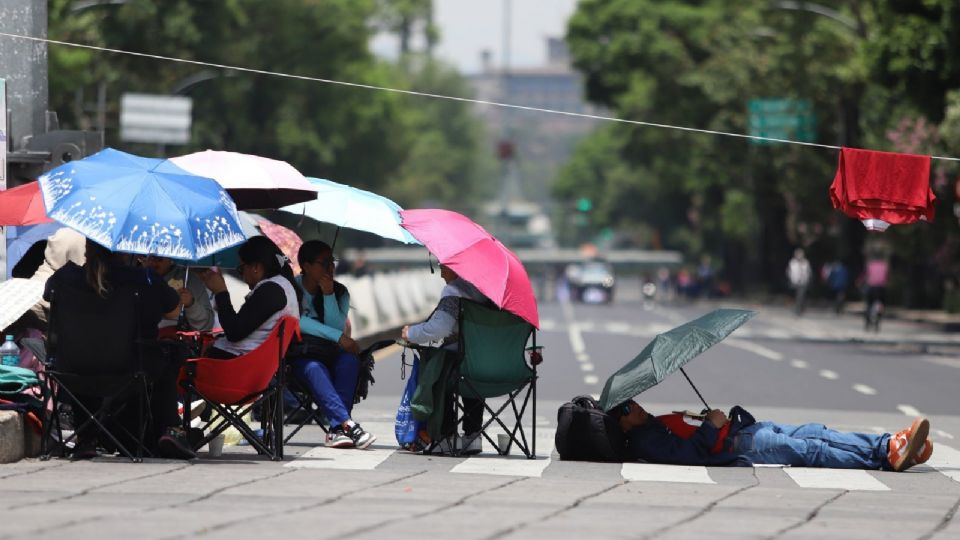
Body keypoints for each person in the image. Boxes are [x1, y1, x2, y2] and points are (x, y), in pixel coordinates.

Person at [43, 239, 196, 459]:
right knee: (172, 351)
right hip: (129, 371)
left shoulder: (64, 277)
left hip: (71, 372)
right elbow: (173, 309)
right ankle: (171, 427)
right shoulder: (144, 279)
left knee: (88, 351)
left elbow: (49, 294)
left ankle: (86, 437)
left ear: (87, 248)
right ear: (125, 250)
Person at [613, 400, 932, 472]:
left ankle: (889, 446)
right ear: (621, 423)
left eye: (633, 401)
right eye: (627, 408)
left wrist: (708, 418)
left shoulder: (651, 426)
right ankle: (888, 452)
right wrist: (710, 425)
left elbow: (689, 435)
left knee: (815, 432)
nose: (636, 406)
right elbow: (690, 455)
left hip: (742, 429)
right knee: (812, 450)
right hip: (739, 444)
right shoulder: (644, 441)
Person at [289, 240, 374, 449]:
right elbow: (297, 321)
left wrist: (328, 295)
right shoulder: (291, 289)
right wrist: (339, 337)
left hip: (329, 353)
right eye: (324, 263)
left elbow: (335, 327)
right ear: (306, 266)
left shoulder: (340, 292)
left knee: (350, 361)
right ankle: (347, 425)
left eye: (332, 262)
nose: (330, 268)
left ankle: (337, 429)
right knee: (314, 368)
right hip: (302, 355)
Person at [401, 264, 492, 455]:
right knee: (470, 367)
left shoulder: (454, 291)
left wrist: (411, 333)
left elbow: (439, 328)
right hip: (491, 368)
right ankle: (473, 435)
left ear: (458, 267)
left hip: (459, 368)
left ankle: (446, 435)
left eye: (445, 266)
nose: (441, 270)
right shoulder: (490, 294)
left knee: (439, 370)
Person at [196, 236, 301, 359]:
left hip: (242, 362)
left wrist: (221, 292)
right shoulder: (280, 286)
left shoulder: (271, 290)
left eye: (241, 269)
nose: (242, 276)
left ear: (256, 267)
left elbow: (233, 332)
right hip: (254, 359)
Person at [140, 255, 215, 334]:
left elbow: (206, 326)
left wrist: (191, 304)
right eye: (148, 257)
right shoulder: (135, 278)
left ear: (170, 257)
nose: (152, 262)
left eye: (159, 258)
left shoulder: (189, 280)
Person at [786, 248, 812, 315]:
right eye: (798, 254)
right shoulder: (792, 262)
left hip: (803, 282)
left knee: (800, 296)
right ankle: (798, 308)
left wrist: (807, 279)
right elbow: (788, 271)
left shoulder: (806, 262)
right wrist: (790, 278)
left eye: (800, 254)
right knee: (796, 296)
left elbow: (809, 272)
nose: (799, 256)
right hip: (794, 281)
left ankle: (798, 310)